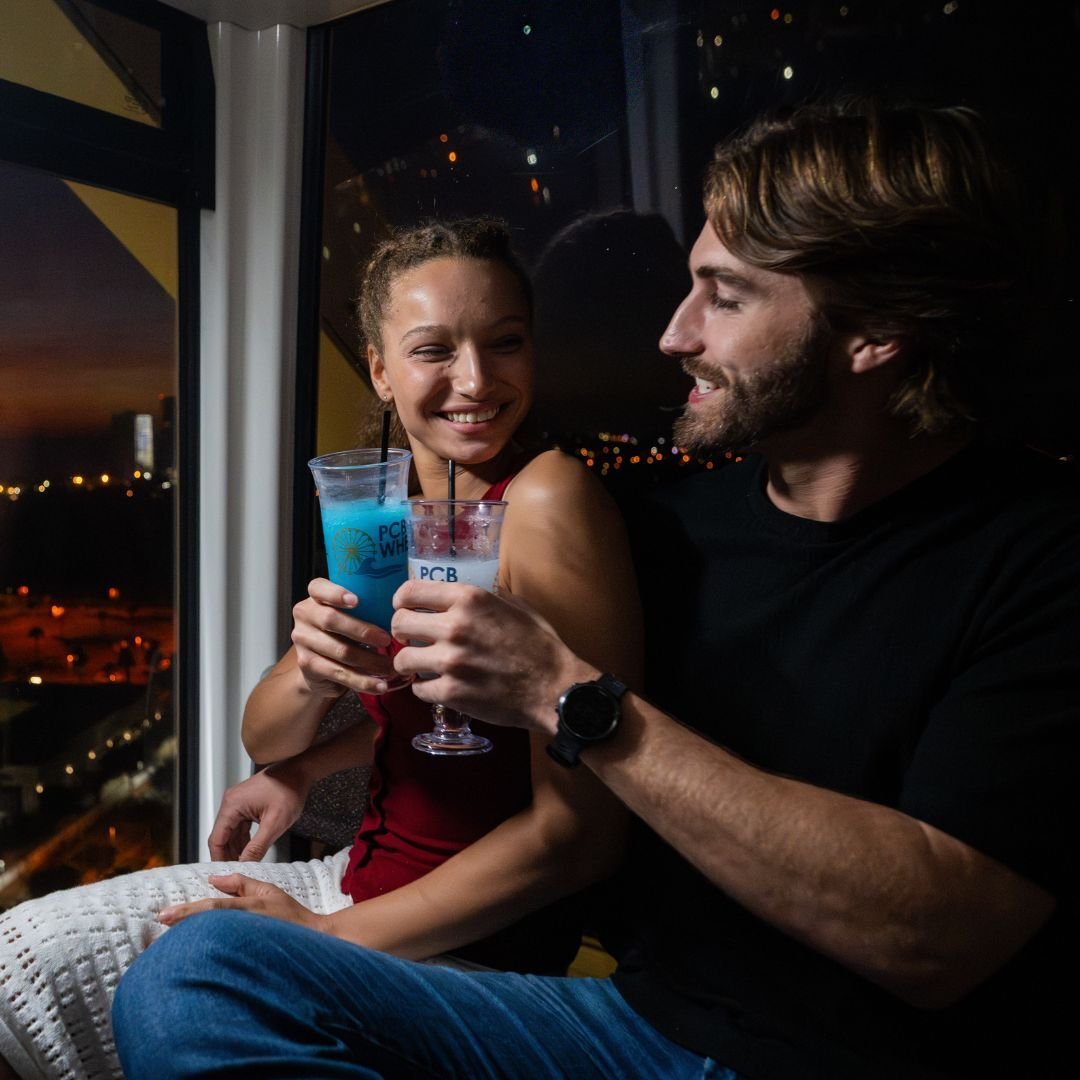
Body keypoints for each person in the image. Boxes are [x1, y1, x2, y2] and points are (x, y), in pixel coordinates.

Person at [112, 98, 1078, 1079]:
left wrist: (570, 700)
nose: (673, 334)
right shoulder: (666, 520)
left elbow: (939, 938)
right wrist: (306, 767)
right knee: (197, 975)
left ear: (875, 331)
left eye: (726, 296)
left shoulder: (1039, 556)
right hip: (636, 1022)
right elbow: (469, 723)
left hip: (847, 1056)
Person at [0, 218, 641, 1080]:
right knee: (16, 963)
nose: (476, 380)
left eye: (506, 343)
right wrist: (306, 724)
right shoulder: (397, 513)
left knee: (118, 976)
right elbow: (267, 740)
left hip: (464, 940)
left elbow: (580, 838)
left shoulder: (548, 497)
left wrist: (322, 937)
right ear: (378, 370)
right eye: (432, 350)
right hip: (357, 879)